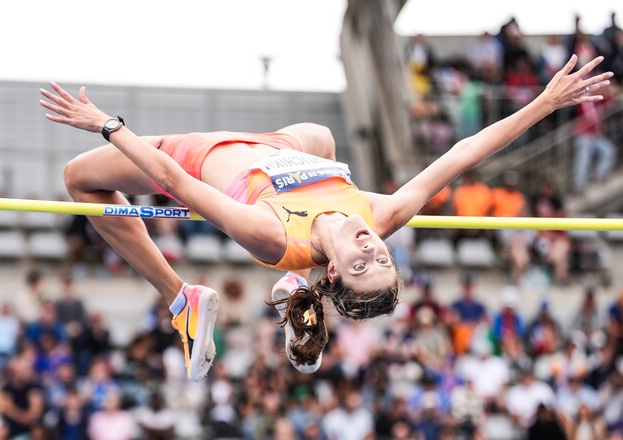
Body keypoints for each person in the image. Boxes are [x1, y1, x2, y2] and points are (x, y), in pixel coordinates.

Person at [39, 55, 613, 381]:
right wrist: (543, 103)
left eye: (363, 263)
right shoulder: (384, 216)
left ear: (334, 274)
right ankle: (290, 297)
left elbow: (176, 182)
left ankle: (181, 298)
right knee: (323, 135)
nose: (372, 245)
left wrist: (108, 126)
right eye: (382, 257)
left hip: (200, 152)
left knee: (78, 179)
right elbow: (462, 155)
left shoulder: (271, 235)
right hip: (285, 144)